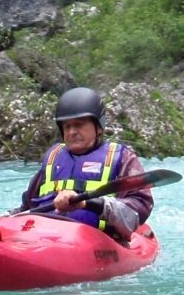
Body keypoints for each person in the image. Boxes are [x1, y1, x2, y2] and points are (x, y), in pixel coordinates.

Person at [9, 87, 154, 242]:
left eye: (79, 125)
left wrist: (88, 203)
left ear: (98, 127)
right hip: (48, 238)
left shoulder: (122, 158)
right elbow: (26, 208)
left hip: (101, 241)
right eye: (67, 126)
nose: (72, 132)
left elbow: (137, 212)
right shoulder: (53, 160)